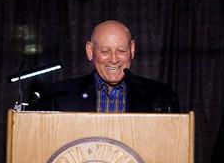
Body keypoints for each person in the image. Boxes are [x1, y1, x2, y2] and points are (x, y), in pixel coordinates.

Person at [37, 20, 179, 113]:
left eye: (121, 51)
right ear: (90, 51)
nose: (113, 59)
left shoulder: (160, 96)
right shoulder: (59, 97)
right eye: (105, 51)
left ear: (132, 50)